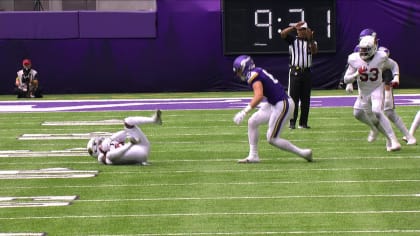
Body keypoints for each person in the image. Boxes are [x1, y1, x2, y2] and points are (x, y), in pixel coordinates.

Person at [232, 55, 312, 163]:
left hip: (282, 104)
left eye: (239, 70)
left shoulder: (253, 75)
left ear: (244, 67)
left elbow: (259, 96)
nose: (238, 74)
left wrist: (244, 111)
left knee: (272, 138)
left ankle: (303, 153)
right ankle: (253, 155)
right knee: (252, 122)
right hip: (274, 103)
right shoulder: (257, 71)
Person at [343, 35, 401, 151]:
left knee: (377, 111)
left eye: (366, 50)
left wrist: (396, 77)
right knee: (357, 113)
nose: (363, 52)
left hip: (377, 88)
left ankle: (394, 141)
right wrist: (356, 74)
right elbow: (346, 79)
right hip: (364, 92)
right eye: (361, 49)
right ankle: (387, 138)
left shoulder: (381, 56)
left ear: (374, 48)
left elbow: (393, 65)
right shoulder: (354, 59)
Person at [86, 110, 162, 165]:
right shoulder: (103, 157)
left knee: (128, 122)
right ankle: (133, 146)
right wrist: (130, 144)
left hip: (142, 146)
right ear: (95, 150)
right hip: (138, 154)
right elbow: (113, 156)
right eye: (99, 142)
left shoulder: (109, 143)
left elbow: (123, 133)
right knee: (109, 155)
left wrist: (111, 139)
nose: (101, 141)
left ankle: (154, 120)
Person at [280, 21, 318, 129]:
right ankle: (292, 122)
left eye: (304, 29)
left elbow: (314, 51)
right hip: (295, 72)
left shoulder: (312, 42)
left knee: (306, 99)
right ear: (297, 31)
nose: (302, 31)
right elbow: (282, 34)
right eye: (301, 29)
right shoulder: (293, 40)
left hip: (307, 72)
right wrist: (292, 27)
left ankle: (303, 123)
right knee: (293, 99)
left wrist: (311, 39)